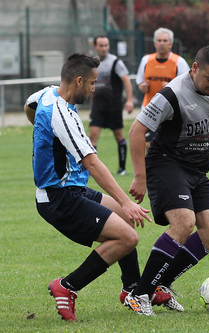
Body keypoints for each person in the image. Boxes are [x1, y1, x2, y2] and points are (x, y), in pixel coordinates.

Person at [23, 53, 174, 322]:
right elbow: (93, 164)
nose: (94, 89)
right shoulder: (61, 114)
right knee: (128, 238)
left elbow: (29, 105)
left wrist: (42, 135)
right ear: (78, 80)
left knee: (126, 222)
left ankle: (133, 289)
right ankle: (67, 286)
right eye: (92, 83)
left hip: (72, 189)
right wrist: (126, 201)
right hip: (58, 197)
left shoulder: (45, 94)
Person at [125, 45, 209, 316]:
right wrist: (140, 177)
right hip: (166, 163)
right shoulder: (172, 94)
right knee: (184, 222)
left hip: (197, 170)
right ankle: (139, 294)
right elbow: (137, 131)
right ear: (194, 68)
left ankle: (161, 284)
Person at [136, 27, 190, 147]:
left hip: (171, 110)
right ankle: (149, 166)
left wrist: (171, 87)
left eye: (165, 41)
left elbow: (187, 86)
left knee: (169, 143)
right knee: (148, 143)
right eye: (159, 40)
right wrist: (142, 87)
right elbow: (140, 82)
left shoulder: (179, 62)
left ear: (170, 44)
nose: (162, 43)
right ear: (155, 43)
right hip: (149, 107)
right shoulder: (146, 60)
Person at [89, 36, 134, 176]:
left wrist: (129, 100)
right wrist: (91, 106)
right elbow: (91, 86)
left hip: (113, 106)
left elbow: (126, 80)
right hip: (98, 106)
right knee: (92, 136)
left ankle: (122, 168)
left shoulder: (115, 62)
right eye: (101, 45)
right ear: (95, 47)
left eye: (106, 45)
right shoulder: (92, 63)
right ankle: (92, 169)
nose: (104, 48)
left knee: (119, 135)